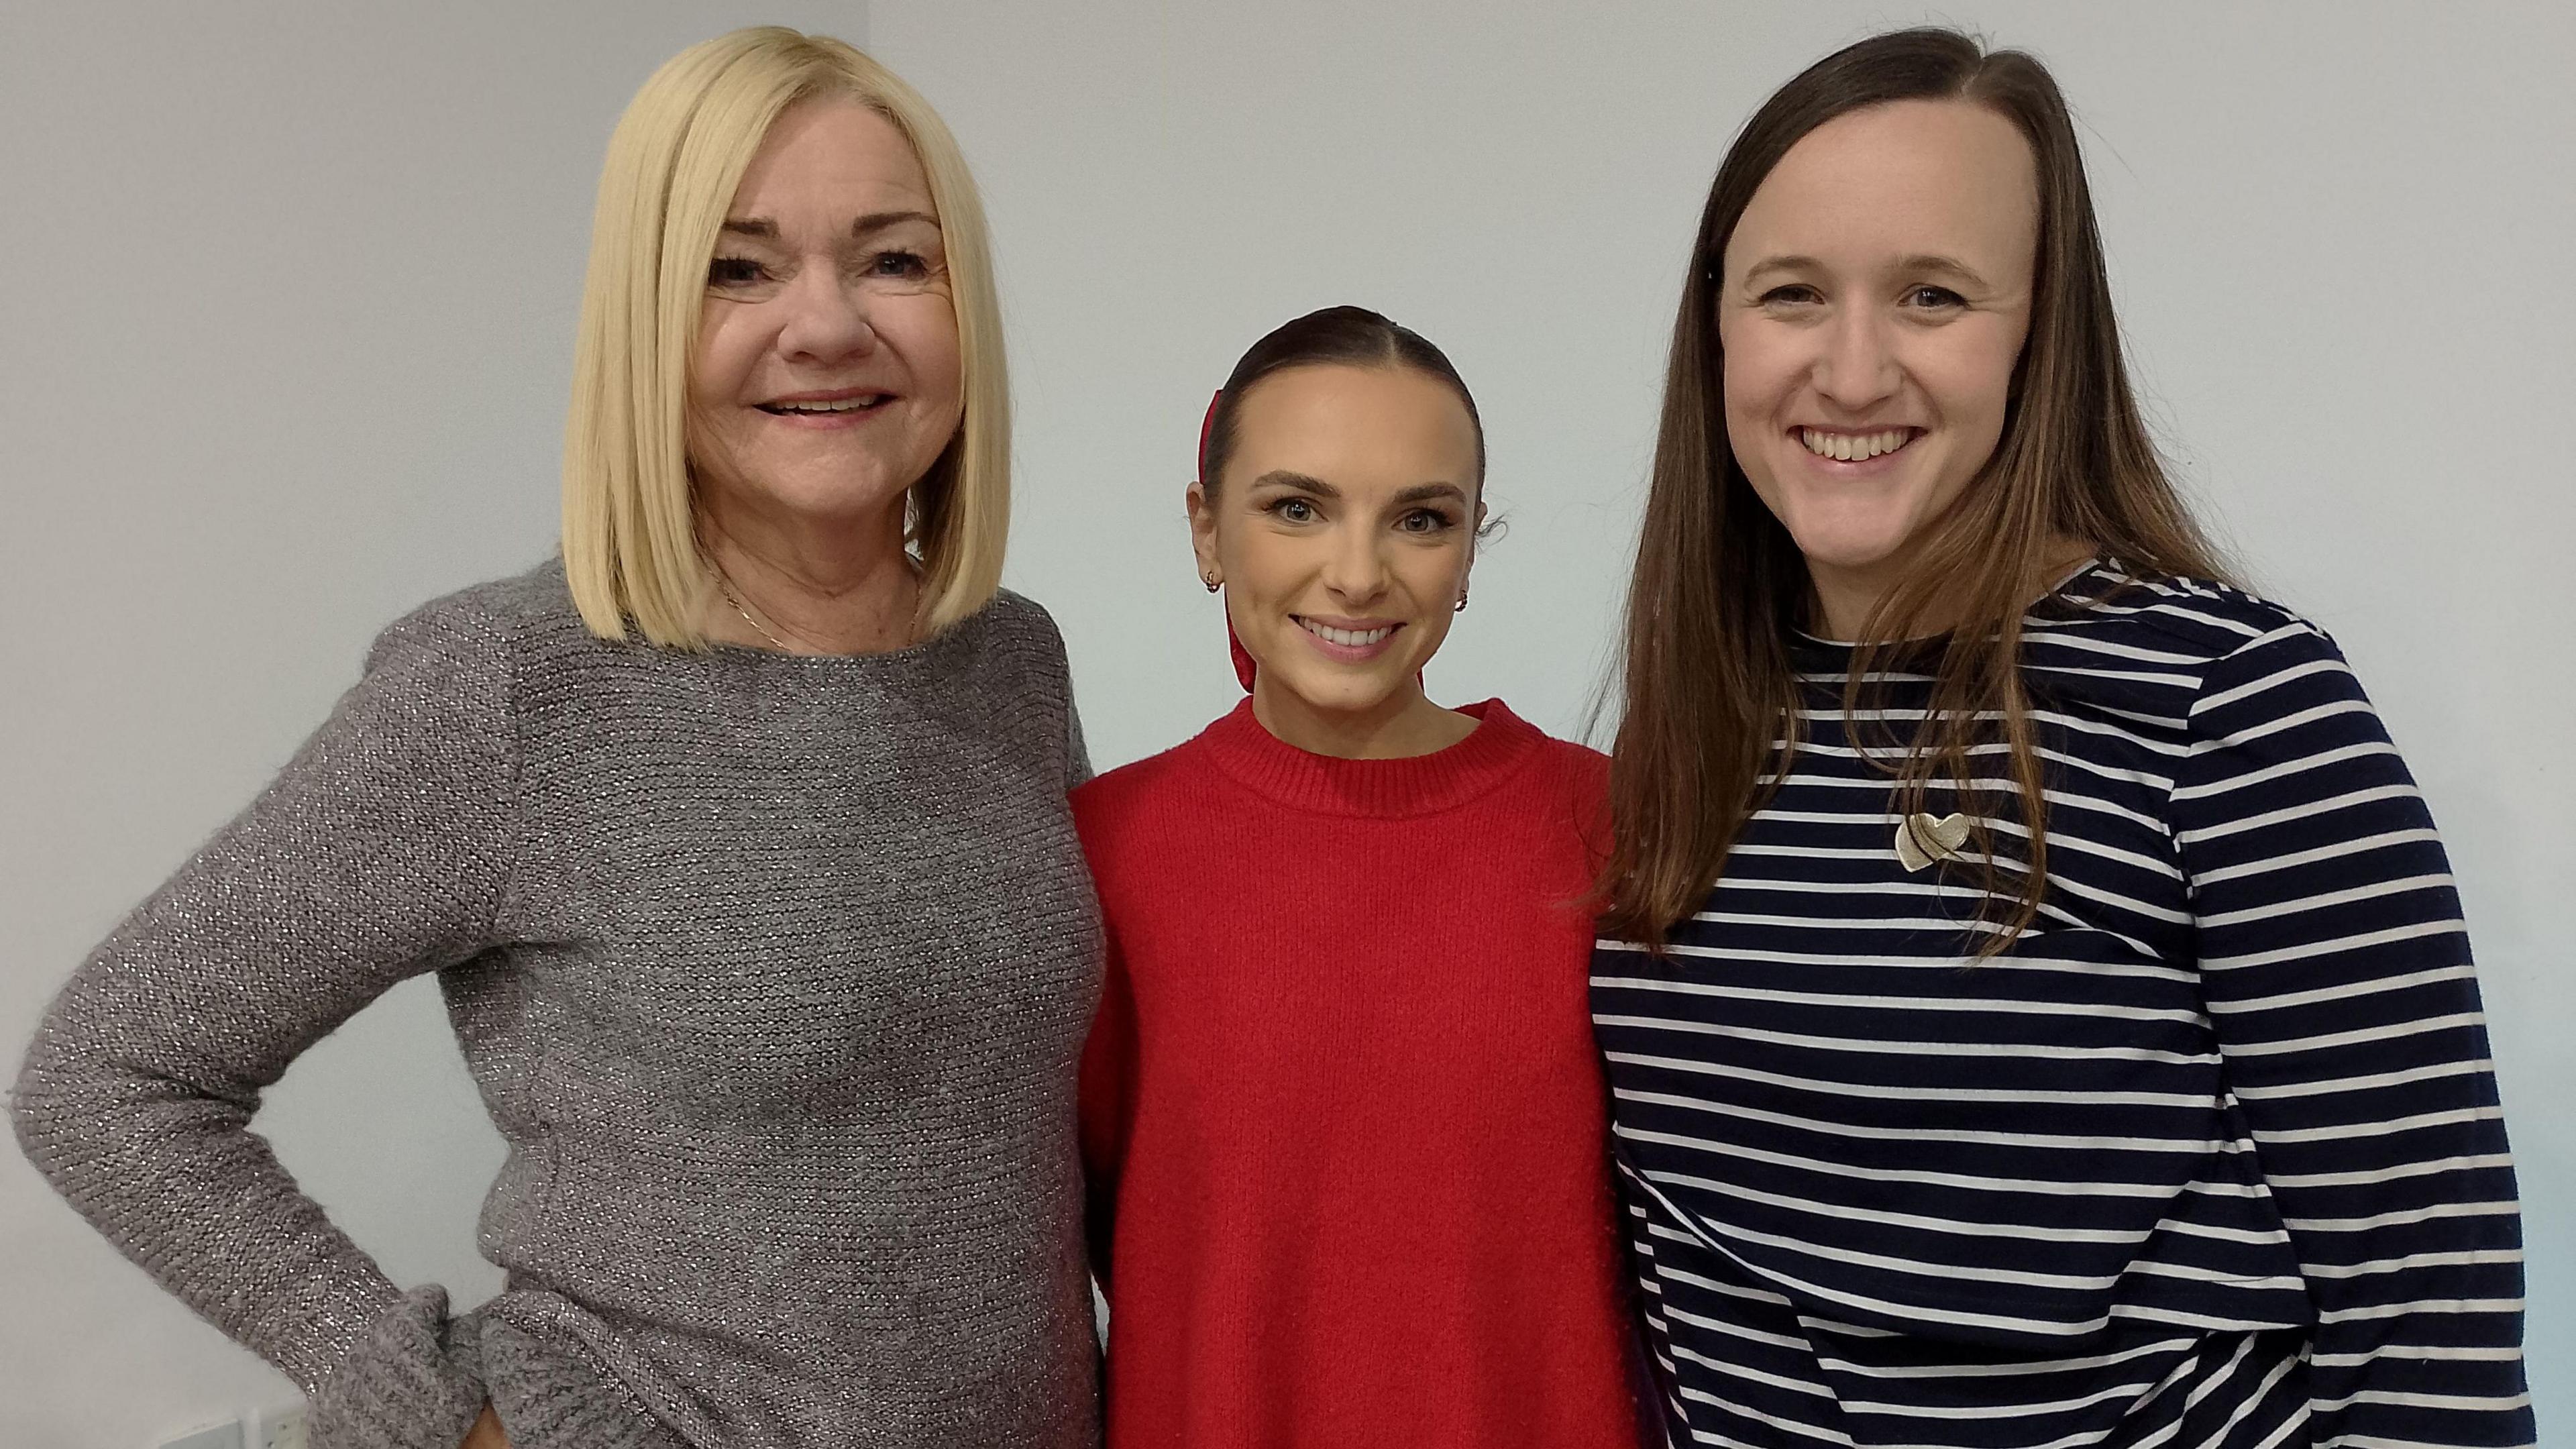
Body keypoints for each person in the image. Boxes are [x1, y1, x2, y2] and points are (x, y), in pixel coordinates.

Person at [11, 28, 1102, 1449]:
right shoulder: (510, 685)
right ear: (645, 319)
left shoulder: (1011, 657)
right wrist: (441, 1410)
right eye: (737, 266)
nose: (828, 323)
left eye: (895, 258)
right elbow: (106, 1078)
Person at [1591, 28, 2532, 1449]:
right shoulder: (1694, 726)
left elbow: (2432, 1340)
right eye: (1792, 293)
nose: (1851, 372)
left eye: (1933, 295)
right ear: (1715, 323)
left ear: (2040, 331)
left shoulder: (2236, 708)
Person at [1077, 307, 1651, 1448]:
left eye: (1421, 520)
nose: (1356, 573)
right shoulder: (1103, 852)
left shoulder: (1611, 826)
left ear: (1471, 547)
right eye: (1297, 508)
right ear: (1206, 532)